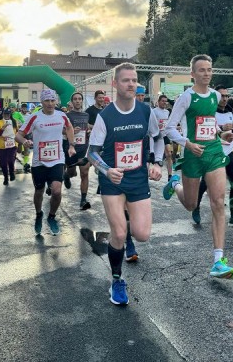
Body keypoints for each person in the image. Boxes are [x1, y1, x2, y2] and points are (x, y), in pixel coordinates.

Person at [87, 62, 164, 305]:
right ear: (115, 84)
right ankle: (117, 280)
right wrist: (107, 170)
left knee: (142, 234)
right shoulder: (105, 116)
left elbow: (158, 138)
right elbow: (91, 153)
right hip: (113, 180)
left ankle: (126, 230)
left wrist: (157, 162)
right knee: (119, 233)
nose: (131, 84)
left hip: (138, 178)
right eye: (125, 80)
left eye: (134, 80)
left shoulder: (145, 111)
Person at [162, 54, 233, 279]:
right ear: (193, 74)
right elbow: (169, 128)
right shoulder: (186, 98)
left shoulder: (216, 95)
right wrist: (187, 143)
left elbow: (209, 123)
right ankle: (175, 184)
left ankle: (218, 261)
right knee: (191, 204)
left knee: (218, 203)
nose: (206, 73)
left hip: (213, 152)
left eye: (209, 69)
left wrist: (221, 134)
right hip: (193, 154)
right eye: (202, 70)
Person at [15, 89, 76, 236]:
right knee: (39, 191)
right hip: (39, 161)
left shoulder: (61, 115)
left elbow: (69, 127)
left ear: (56, 101)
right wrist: (24, 141)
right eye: (47, 101)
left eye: (52, 100)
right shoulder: (34, 117)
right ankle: (38, 214)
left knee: (56, 191)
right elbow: (18, 135)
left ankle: (52, 217)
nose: (50, 103)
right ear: (42, 102)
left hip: (57, 159)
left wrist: (71, 145)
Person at [192, 85, 233, 229]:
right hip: (213, 153)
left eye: (227, 96)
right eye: (222, 96)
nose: (225, 99)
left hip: (228, 152)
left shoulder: (230, 111)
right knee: (205, 183)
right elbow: (204, 131)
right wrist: (222, 130)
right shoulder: (208, 110)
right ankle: (195, 207)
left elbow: (231, 131)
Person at [63, 92, 91, 210]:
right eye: (75, 99)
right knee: (72, 173)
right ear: (72, 102)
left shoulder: (86, 115)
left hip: (83, 148)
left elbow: (87, 127)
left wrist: (88, 131)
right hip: (71, 148)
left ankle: (83, 200)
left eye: (80, 99)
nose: (78, 101)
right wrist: (71, 131)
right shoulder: (67, 115)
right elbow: (62, 130)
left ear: (82, 101)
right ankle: (66, 175)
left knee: (84, 173)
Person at [151, 95, 173, 181]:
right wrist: (157, 125)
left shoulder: (167, 112)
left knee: (169, 154)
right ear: (159, 101)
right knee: (153, 156)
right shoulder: (154, 111)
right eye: (163, 101)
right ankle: (153, 171)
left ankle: (170, 175)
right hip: (157, 135)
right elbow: (151, 123)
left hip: (165, 134)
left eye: (165, 101)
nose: (164, 103)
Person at [0, 109, 18, 185]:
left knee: (11, 160)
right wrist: (2, 128)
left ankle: (11, 173)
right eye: (5, 114)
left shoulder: (14, 122)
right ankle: (6, 177)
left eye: (8, 114)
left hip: (12, 145)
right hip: (2, 146)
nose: (6, 116)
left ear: (10, 115)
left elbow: (18, 132)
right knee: (3, 164)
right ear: (2, 114)